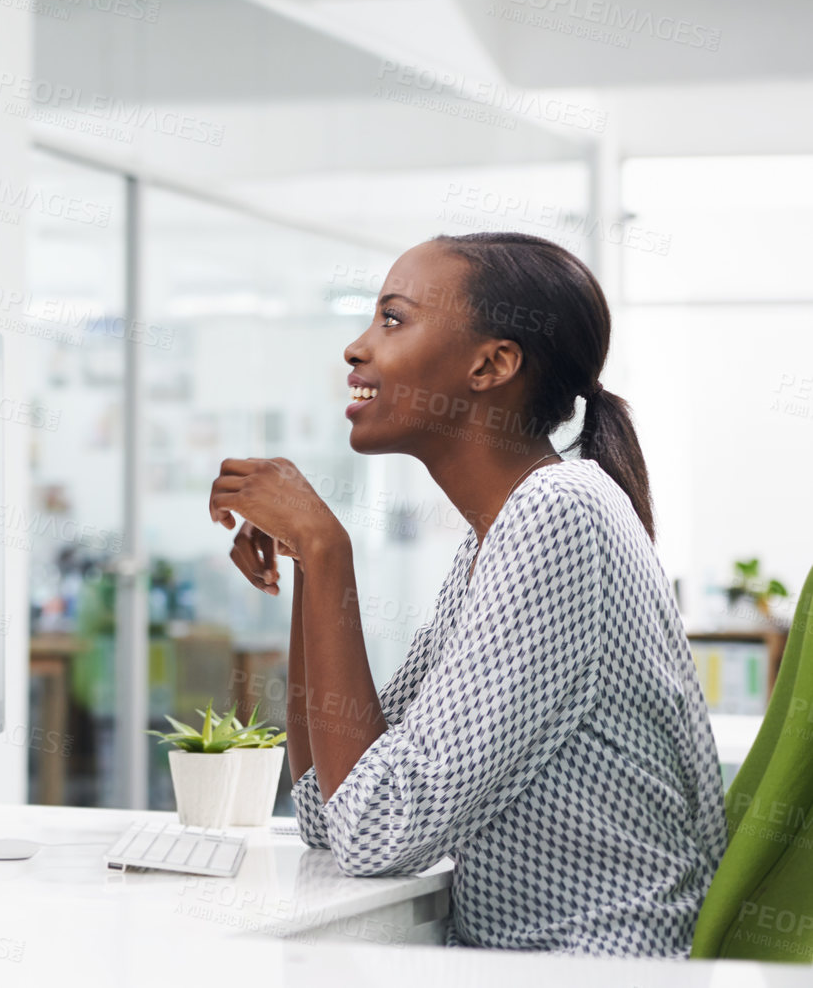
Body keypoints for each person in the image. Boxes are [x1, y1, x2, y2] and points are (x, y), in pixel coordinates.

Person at [208, 232, 726, 956]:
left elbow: (374, 831)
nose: (356, 348)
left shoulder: (558, 514)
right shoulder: (495, 537)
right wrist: (307, 562)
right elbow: (333, 810)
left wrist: (328, 550)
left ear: (490, 364)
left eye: (391, 318)